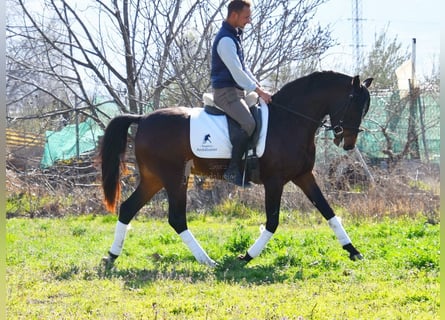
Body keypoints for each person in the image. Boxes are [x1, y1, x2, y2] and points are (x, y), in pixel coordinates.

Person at [211, 0, 272, 187]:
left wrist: (258, 86)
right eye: (246, 17)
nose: (249, 21)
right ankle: (232, 171)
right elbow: (237, 72)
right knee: (248, 122)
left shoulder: (235, 36)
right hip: (226, 93)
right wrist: (258, 90)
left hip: (237, 92)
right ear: (234, 15)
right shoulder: (226, 40)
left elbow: (244, 68)